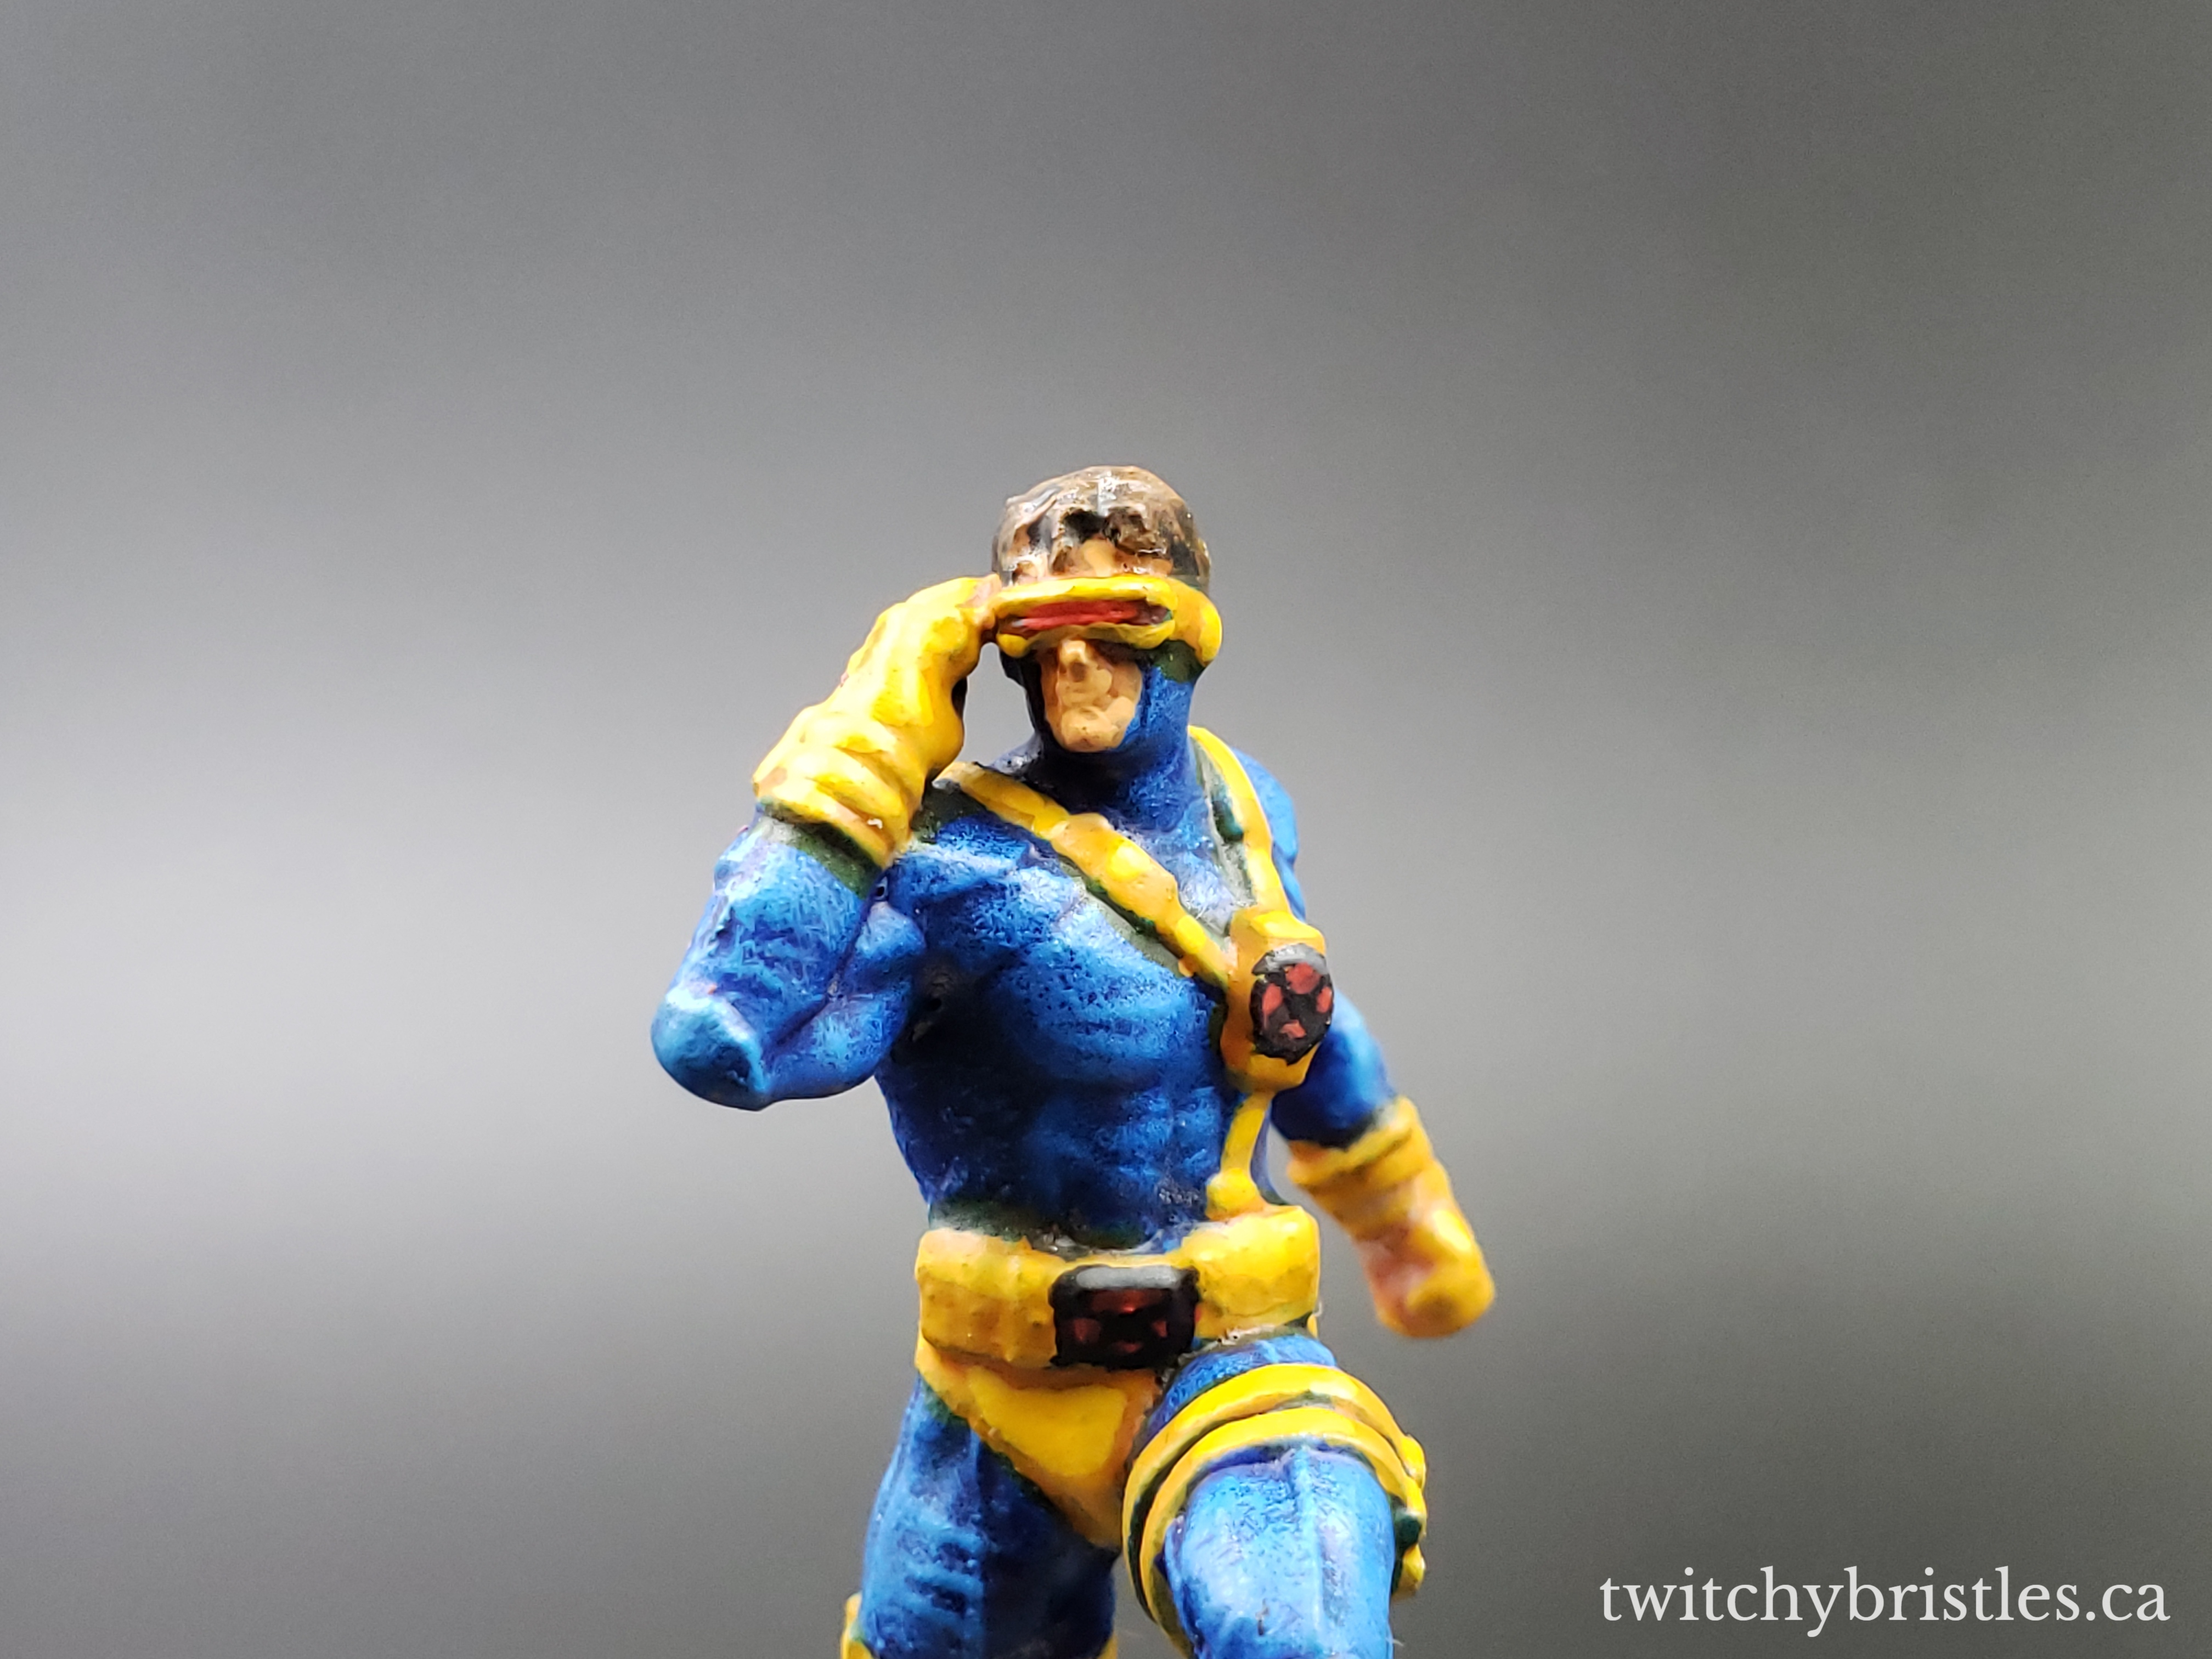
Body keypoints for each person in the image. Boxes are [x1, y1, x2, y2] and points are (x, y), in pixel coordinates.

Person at [653, 466, 1494, 1659]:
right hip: (996, 1400)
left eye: (1115, 628)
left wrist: (1400, 1215)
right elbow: (724, 1039)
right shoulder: (945, 866)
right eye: (1042, 636)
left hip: (1235, 1366)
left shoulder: (1247, 811)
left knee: (1295, 1636)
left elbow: (1294, 1010)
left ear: (1189, 634)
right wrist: (871, 727)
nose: (1077, 666)